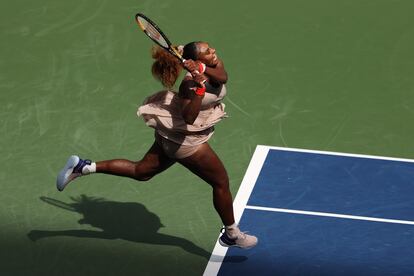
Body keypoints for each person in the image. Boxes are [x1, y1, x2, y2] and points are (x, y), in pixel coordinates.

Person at [57, 41, 258, 249]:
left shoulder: (213, 63)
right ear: (197, 60)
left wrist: (202, 69)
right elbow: (189, 117)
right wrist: (198, 90)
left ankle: (84, 167)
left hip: (171, 135)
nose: (213, 51)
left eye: (211, 48)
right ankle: (232, 234)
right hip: (186, 141)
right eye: (208, 52)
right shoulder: (189, 85)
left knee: (141, 171)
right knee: (220, 182)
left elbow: (223, 77)